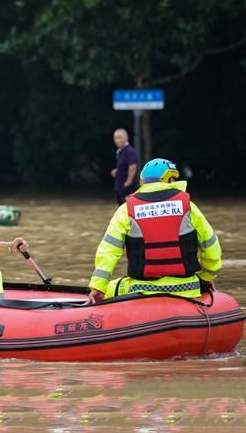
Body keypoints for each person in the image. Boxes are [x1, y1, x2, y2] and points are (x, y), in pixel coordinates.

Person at [86, 158, 221, 304]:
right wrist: (207, 277)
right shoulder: (189, 207)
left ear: (143, 181)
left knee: (111, 288)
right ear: (170, 179)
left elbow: (108, 251)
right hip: (187, 288)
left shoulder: (125, 210)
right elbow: (211, 246)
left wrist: (98, 288)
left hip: (140, 289)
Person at [112, 128, 138, 205]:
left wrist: (128, 182)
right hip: (120, 186)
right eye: (115, 138)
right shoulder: (121, 151)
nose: (117, 140)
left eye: (120, 137)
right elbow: (124, 165)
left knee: (126, 209)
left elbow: (133, 166)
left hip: (127, 188)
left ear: (126, 138)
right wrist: (116, 171)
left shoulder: (129, 151)